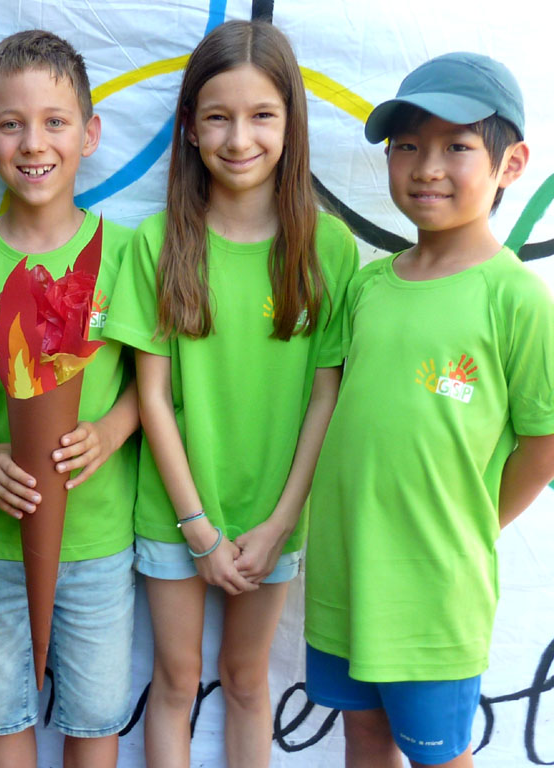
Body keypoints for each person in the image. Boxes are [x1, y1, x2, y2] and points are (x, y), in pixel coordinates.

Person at [104, 20, 359, 768]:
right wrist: (197, 529)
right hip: (175, 513)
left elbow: (325, 396)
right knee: (176, 680)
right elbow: (150, 397)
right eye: (217, 116)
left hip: (273, 518)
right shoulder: (158, 242)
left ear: (291, 123)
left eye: (261, 116)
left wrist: (280, 523)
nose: (238, 137)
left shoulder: (329, 247)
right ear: (188, 128)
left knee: (247, 681)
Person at [304, 52, 554, 768]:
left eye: (457, 146)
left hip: (434, 594)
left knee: (439, 756)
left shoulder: (517, 299)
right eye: (407, 146)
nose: (427, 167)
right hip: (347, 576)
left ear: (511, 165)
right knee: (363, 738)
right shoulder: (370, 285)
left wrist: (470, 522)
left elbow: (544, 442)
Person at [0, 30, 139, 768]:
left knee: (93, 720)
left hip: (96, 538)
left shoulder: (124, 253)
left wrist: (113, 430)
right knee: (2, 713)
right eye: (11, 123)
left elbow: (155, 382)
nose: (33, 142)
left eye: (55, 121)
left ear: (89, 134)